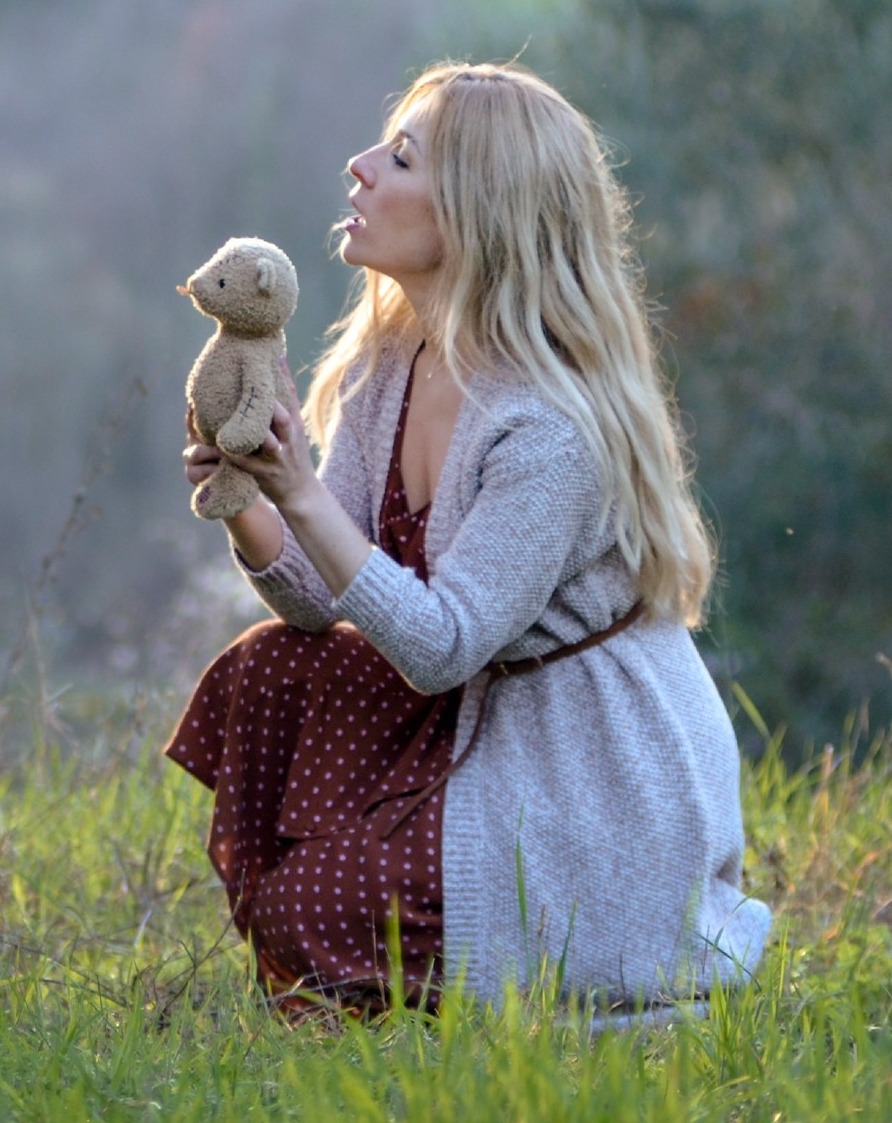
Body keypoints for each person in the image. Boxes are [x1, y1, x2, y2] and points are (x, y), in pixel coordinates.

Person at [166, 60, 770, 1021]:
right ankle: (366, 956)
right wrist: (248, 498)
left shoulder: (548, 428)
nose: (359, 168)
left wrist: (299, 493)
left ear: (479, 211)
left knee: (307, 906)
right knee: (269, 672)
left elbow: (442, 647)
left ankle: (581, 959)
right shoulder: (389, 361)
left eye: (400, 157)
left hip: (586, 773)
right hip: (467, 717)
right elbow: (327, 603)